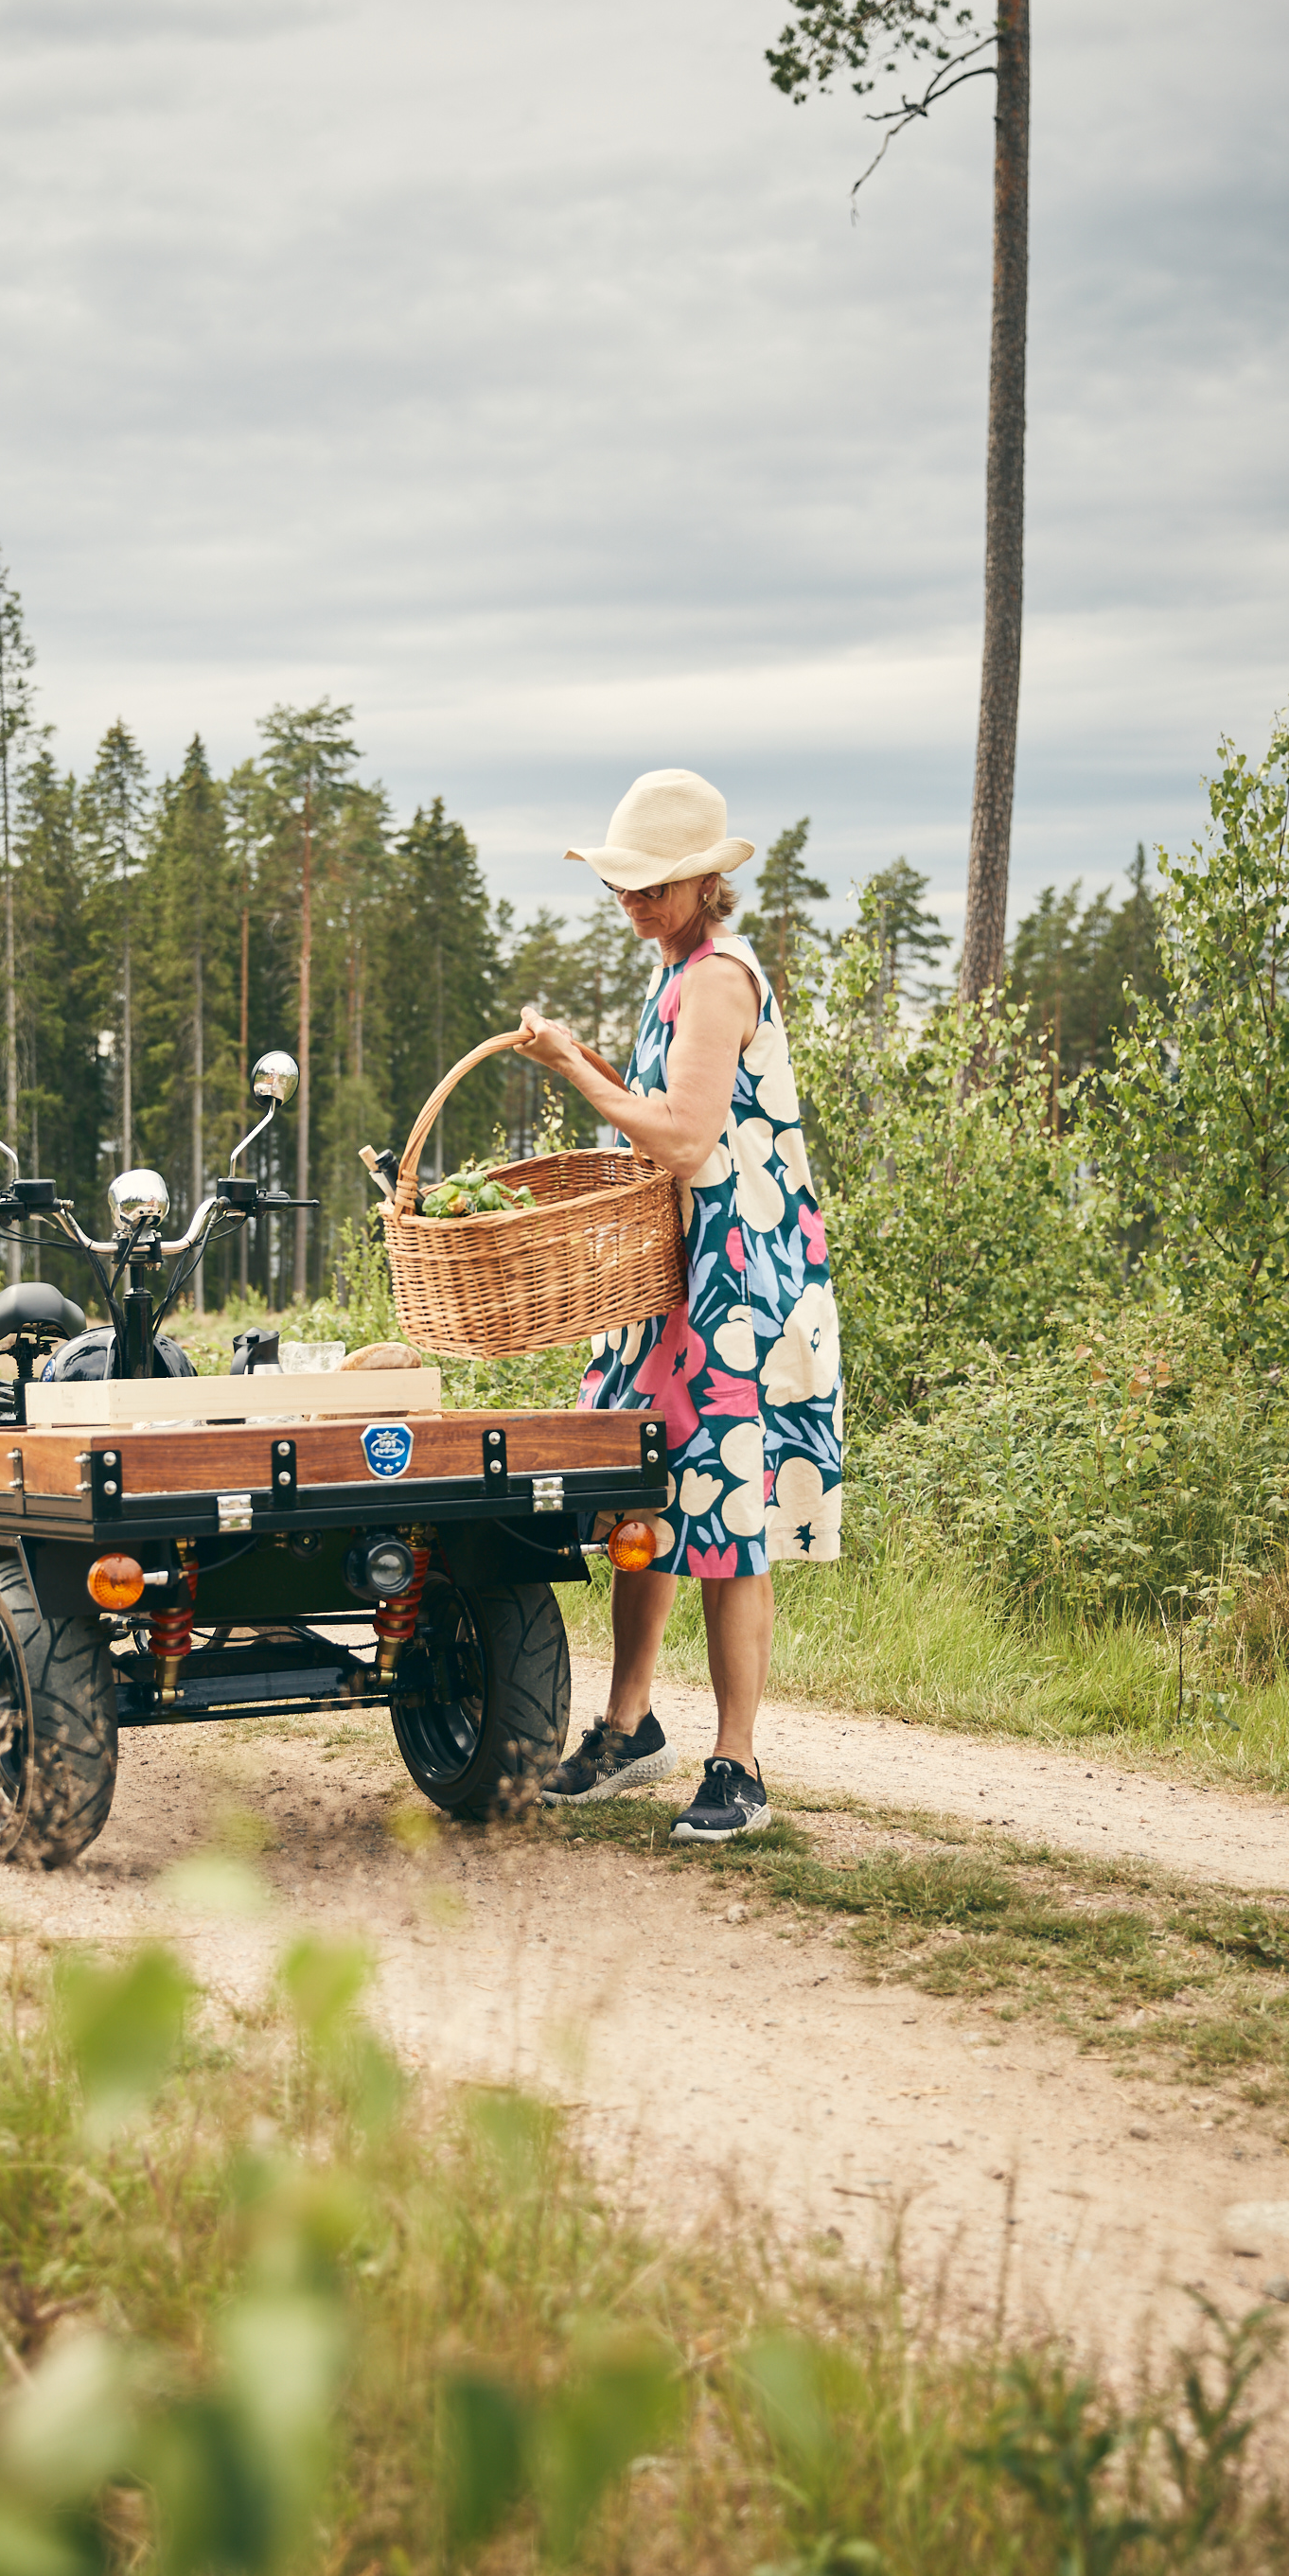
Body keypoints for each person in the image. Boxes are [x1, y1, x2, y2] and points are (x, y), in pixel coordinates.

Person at [516, 769, 842, 1842]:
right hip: (673, 1279)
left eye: (654, 885)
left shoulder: (715, 979)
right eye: (623, 883)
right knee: (646, 1508)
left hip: (733, 1282)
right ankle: (628, 1727)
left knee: (725, 1519)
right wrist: (597, 1069)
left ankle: (736, 1763)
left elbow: (687, 1139)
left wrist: (572, 1068)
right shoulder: (675, 971)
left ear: (706, 882)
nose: (634, 901)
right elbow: (661, 1113)